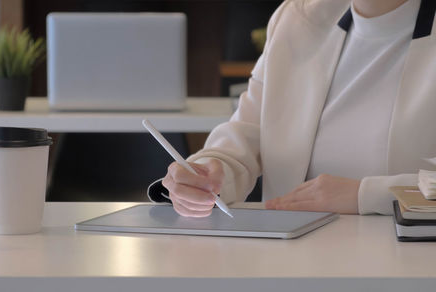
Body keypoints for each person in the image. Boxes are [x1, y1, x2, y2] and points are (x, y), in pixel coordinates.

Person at [154, 0, 436, 217]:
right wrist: (205, 175)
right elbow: (243, 139)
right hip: (287, 262)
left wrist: (364, 196)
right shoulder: (298, 18)